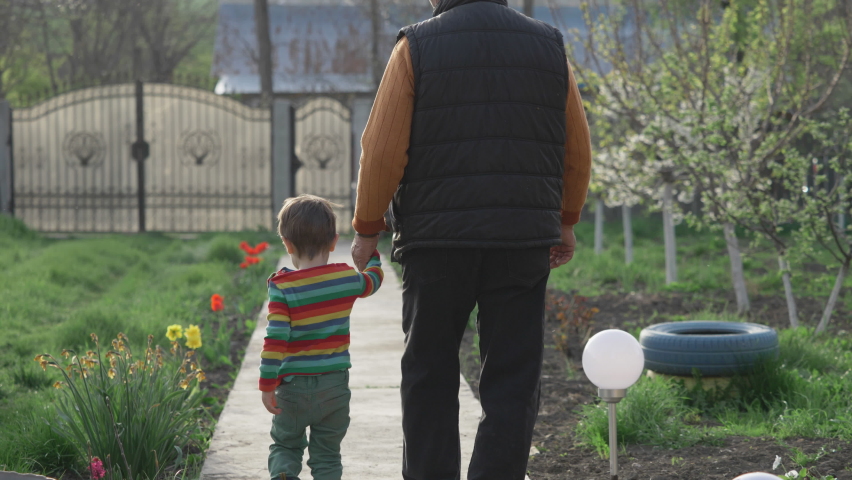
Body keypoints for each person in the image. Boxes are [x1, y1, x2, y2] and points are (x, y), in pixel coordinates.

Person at [350, 0, 592, 478]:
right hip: (523, 241)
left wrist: (366, 229)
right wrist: (565, 219)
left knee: (428, 371)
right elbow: (577, 147)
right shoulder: (549, 47)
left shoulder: (416, 45)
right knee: (513, 378)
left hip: (437, 242)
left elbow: (381, 151)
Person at [260, 194, 384, 480]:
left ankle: (283, 475)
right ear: (333, 242)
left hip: (291, 390)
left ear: (287, 244)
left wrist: (267, 384)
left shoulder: (283, 286)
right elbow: (373, 280)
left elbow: (274, 340)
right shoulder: (345, 279)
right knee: (327, 456)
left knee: (286, 445)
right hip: (334, 388)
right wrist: (372, 255)